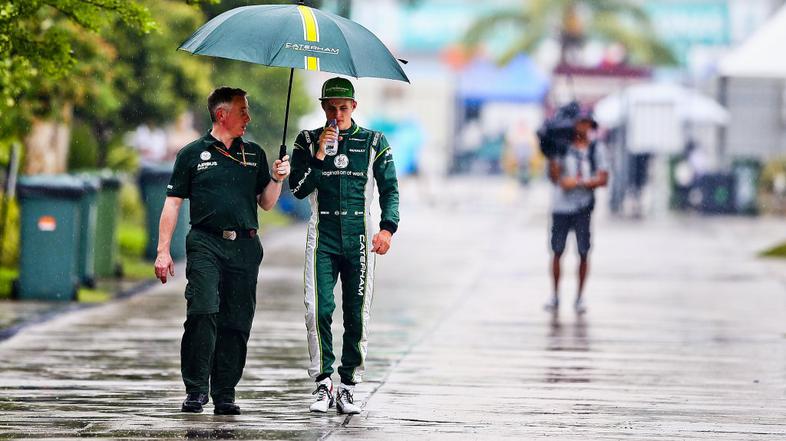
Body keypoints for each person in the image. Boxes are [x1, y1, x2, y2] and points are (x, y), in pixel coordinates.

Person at [154, 87, 290, 415]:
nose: (249, 117)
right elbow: (172, 203)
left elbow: (267, 204)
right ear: (221, 115)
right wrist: (163, 251)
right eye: (243, 111)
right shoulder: (191, 154)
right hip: (205, 241)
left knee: (237, 320)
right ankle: (197, 388)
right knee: (202, 310)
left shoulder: (254, 154)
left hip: (244, 245)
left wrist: (277, 178)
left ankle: (225, 392)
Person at [289, 77, 399, 415]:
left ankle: (349, 385)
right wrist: (320, 153)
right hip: (323, 236)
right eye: (331, 108)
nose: (337, 114)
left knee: (356, 314)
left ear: (354, 107)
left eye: (343, 108)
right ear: (323, 107)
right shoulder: (307, 140)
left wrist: (387, 229)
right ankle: (323, 384)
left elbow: (390, 189)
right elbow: (298, 189)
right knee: (317, 309)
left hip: (360, 237)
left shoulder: (374, 141)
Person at [546, 111, 608, 314]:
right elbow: (556, 179)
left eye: (588, 124)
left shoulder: (596, 149)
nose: (585, 128)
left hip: (583, 207)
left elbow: (603, 178)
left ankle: (580, 296)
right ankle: (555, 295)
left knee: (583, 252)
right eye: (582, 123)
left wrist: (580, 182)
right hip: (561, 208)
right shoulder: (562, 148)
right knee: (557, 250)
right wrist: (553, 155)